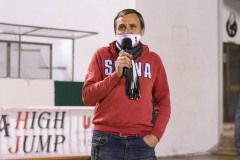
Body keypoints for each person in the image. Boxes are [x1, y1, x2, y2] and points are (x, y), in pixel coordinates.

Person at [82, 8, 171, 160]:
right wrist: (115, 75)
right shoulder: (101, 55)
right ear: (115, 31)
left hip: (142, 142)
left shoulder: (154, 60)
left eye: (132, 26)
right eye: (122, 27)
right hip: (106, 141)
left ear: (142, 30)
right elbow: (88, 97)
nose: (127, 31)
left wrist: (156, 136)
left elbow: (163, 102)